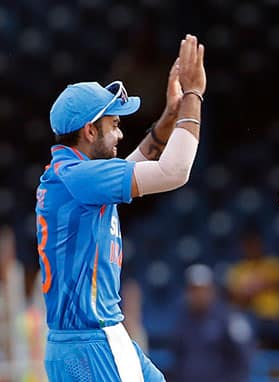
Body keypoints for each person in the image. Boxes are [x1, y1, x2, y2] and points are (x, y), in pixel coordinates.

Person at [34, 34, 206, 381]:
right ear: (90, 131)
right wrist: (193, 95)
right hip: (92, 341)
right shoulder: (80, 177)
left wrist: (170, 118)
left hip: (89, 339)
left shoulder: (72, 173)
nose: (120, 133)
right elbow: (176, 171)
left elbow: (133, 163)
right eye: (114, 125)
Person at [172, 264, 255, 382]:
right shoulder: (183, 320)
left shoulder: (229, 319)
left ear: (211, 290)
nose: (198, 295)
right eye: (193, 289)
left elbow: (243, 357)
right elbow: (179, 358)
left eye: (202, 289)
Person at [225, 228, 279, 348]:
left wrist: (262, 284)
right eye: (248, 245)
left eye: (255, 244)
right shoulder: (238, 269)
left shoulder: (273, 264)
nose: (252, 249)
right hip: (252, 318)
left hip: (277, 318)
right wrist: (249, 292)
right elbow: (234, 296)